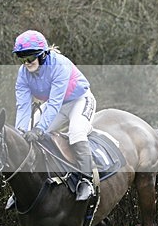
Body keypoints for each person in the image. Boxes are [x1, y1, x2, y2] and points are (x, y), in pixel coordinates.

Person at [13, 29, 96, 201]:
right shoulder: (23, 74)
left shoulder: (59, 64)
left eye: (30, 58)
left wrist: (39, 129)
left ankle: (87, 180)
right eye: (22, 59)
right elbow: (22, 107)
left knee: (76, 132)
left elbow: (54, 103)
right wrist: (20, 133)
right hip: (55, 105)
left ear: (43, 55)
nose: (26, 63)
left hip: (79, 100)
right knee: (26, 135)